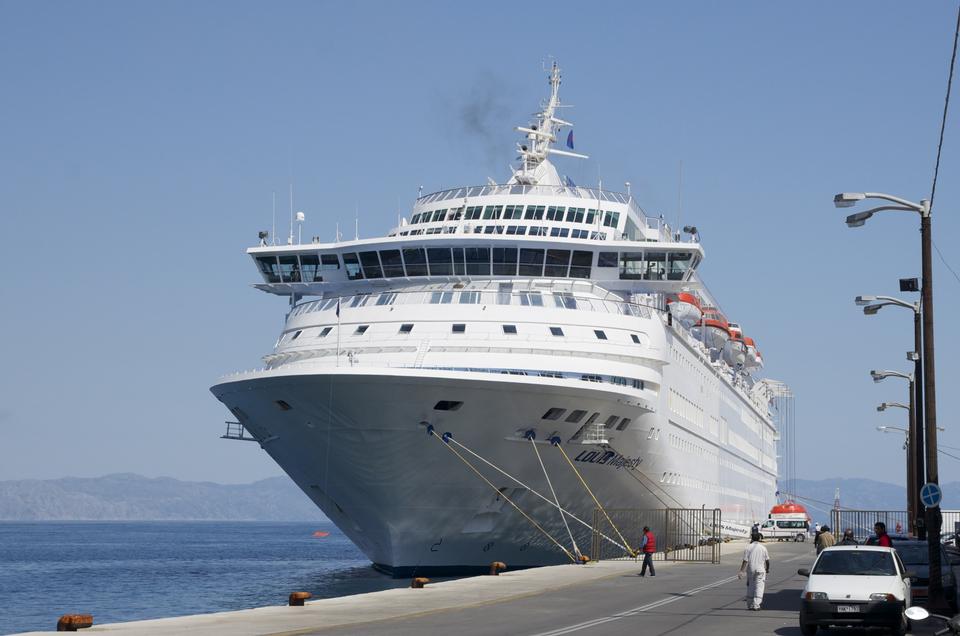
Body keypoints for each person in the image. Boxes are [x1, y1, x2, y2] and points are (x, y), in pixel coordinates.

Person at [739, 531, 770, 610]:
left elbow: (745, 560)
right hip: (760, 570)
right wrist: (767, 569)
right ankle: (756, 605)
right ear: (759, 538)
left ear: (752, 538)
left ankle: (749, 604)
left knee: (751, 587)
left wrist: (742, 571)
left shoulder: (748, 547)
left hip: (751, 570)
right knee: (759, 587)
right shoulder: (763, 548)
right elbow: (767, 560)